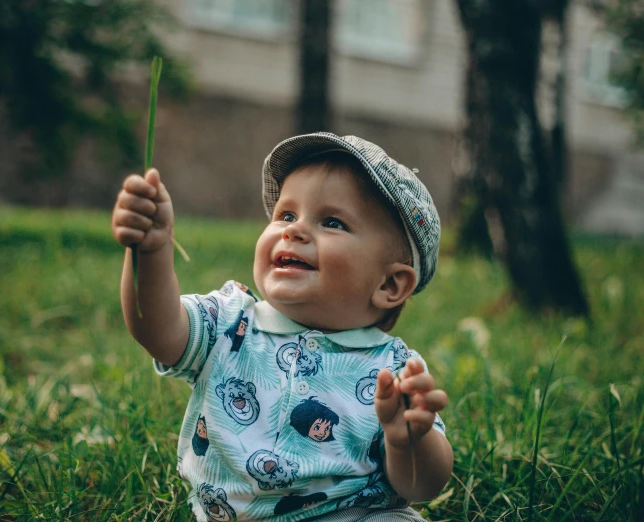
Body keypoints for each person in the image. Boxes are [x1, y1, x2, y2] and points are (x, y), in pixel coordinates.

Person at [111, 133, 454, 521]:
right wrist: (151, 251)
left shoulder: (394, 372)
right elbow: (154, 327)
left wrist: (409, 440)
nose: (294, 230)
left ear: (389, 284)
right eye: (286, 215)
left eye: (332, 222)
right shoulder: (229, 322)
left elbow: (421, 487)